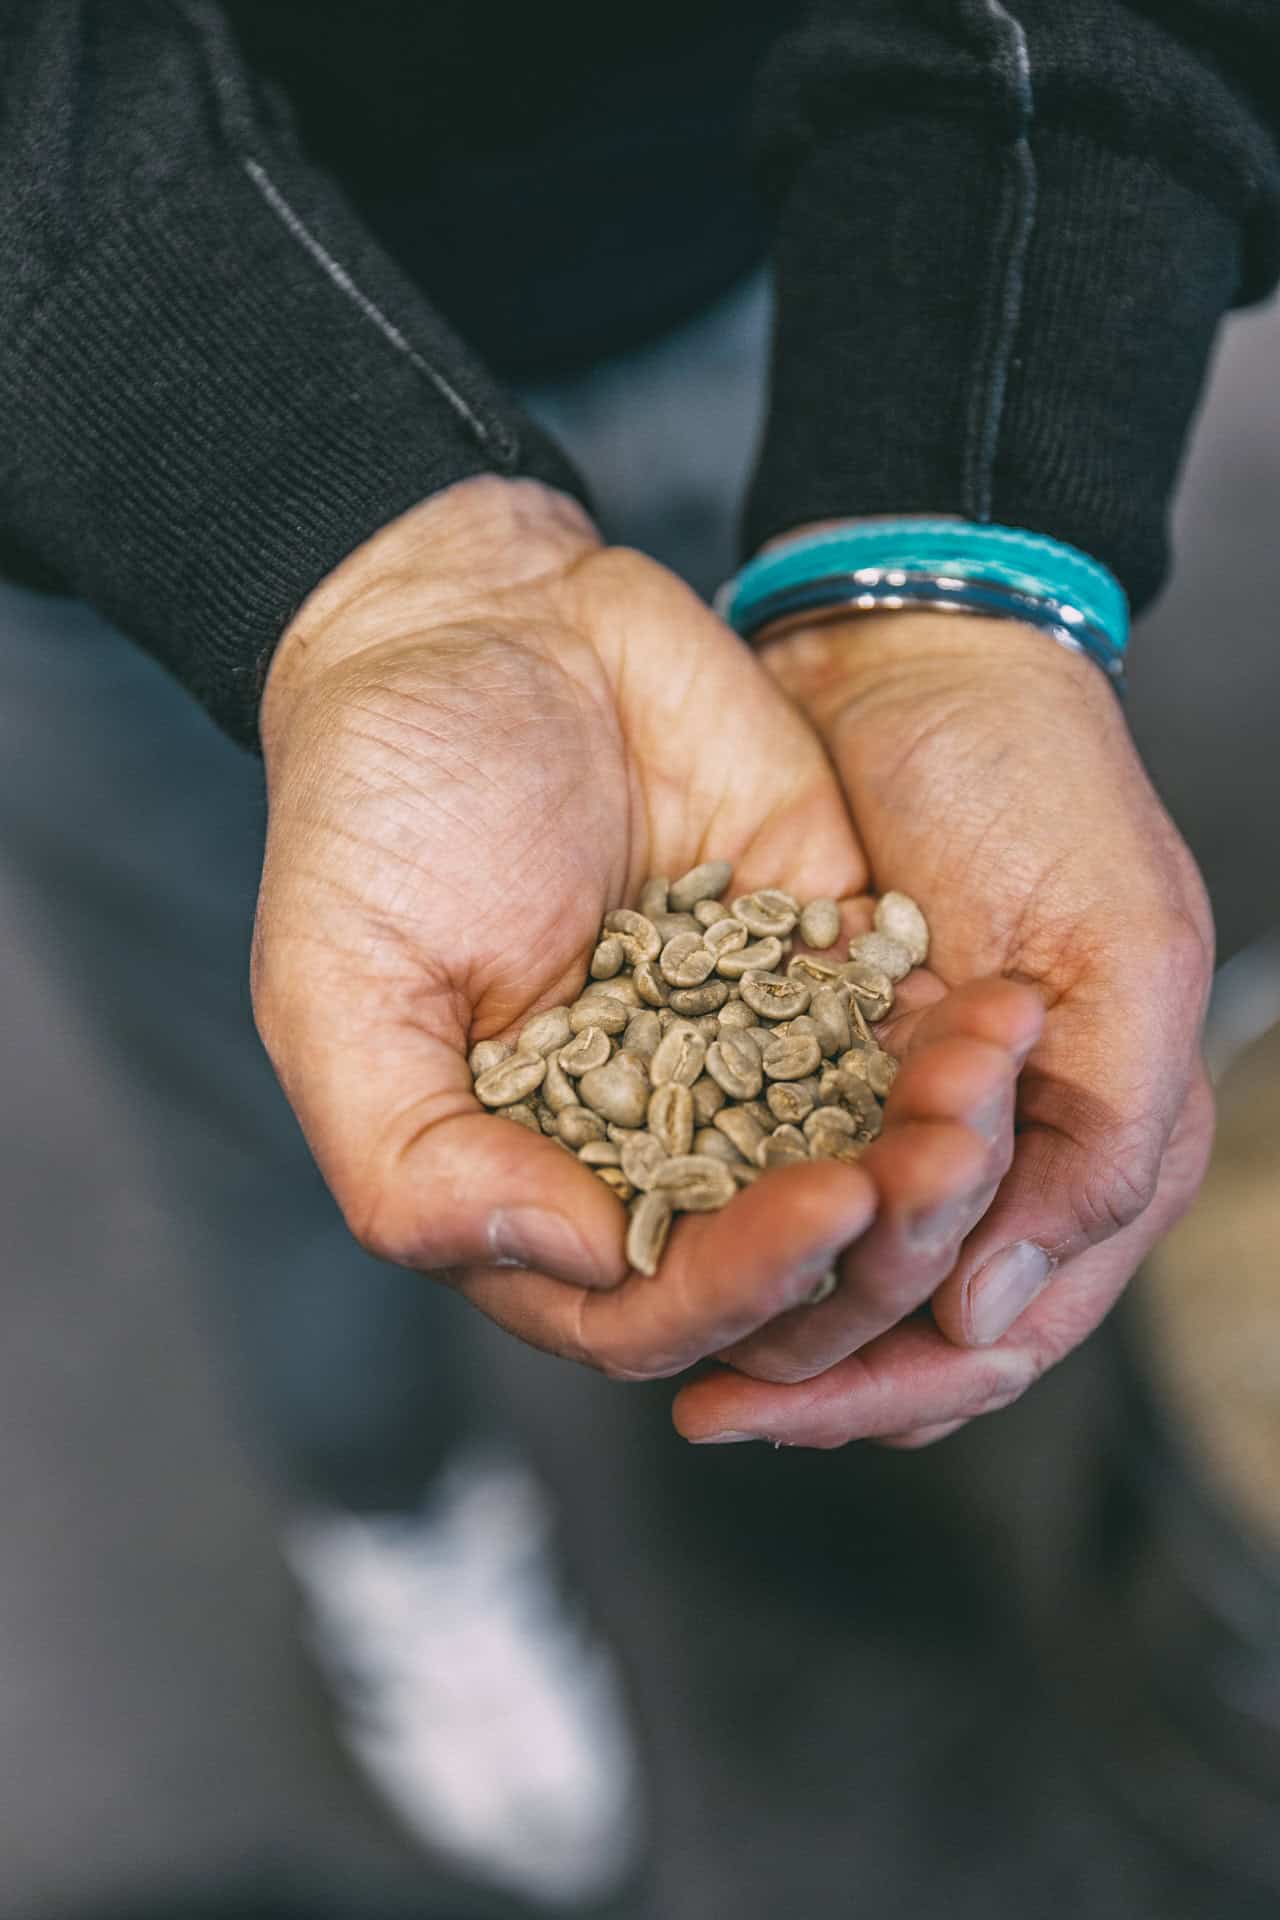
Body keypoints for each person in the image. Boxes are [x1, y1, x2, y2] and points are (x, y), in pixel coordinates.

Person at [1, 0, 1278, 1910]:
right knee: (256, 1091)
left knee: (531, 1111)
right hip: (84, 426)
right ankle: (391, 1508)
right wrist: (325, 529)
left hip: (756, 220)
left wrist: (956, 509)